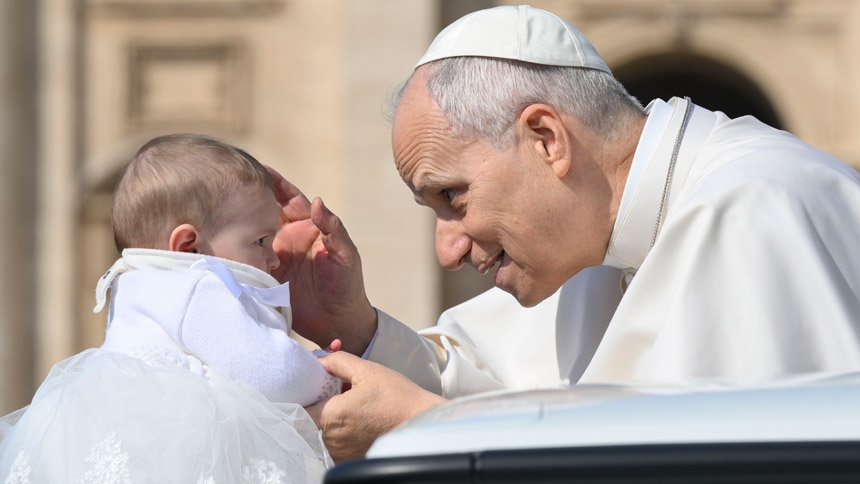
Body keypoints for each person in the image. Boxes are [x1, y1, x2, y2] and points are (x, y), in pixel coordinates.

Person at [270, 5, 860, 462]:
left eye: (453, 197)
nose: (447, 251)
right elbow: (490, 384)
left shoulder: (757, 208)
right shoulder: (599, 240)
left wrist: (424, 430)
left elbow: (739, 463)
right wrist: (353, 326)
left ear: (548, 139)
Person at [0, 134, 338, 482]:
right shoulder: (197, 286)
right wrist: (327, 375)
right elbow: (273, 370)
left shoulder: (133, 284)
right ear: (189, 247)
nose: (273, 257)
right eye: (261, 241)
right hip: (190, 441)